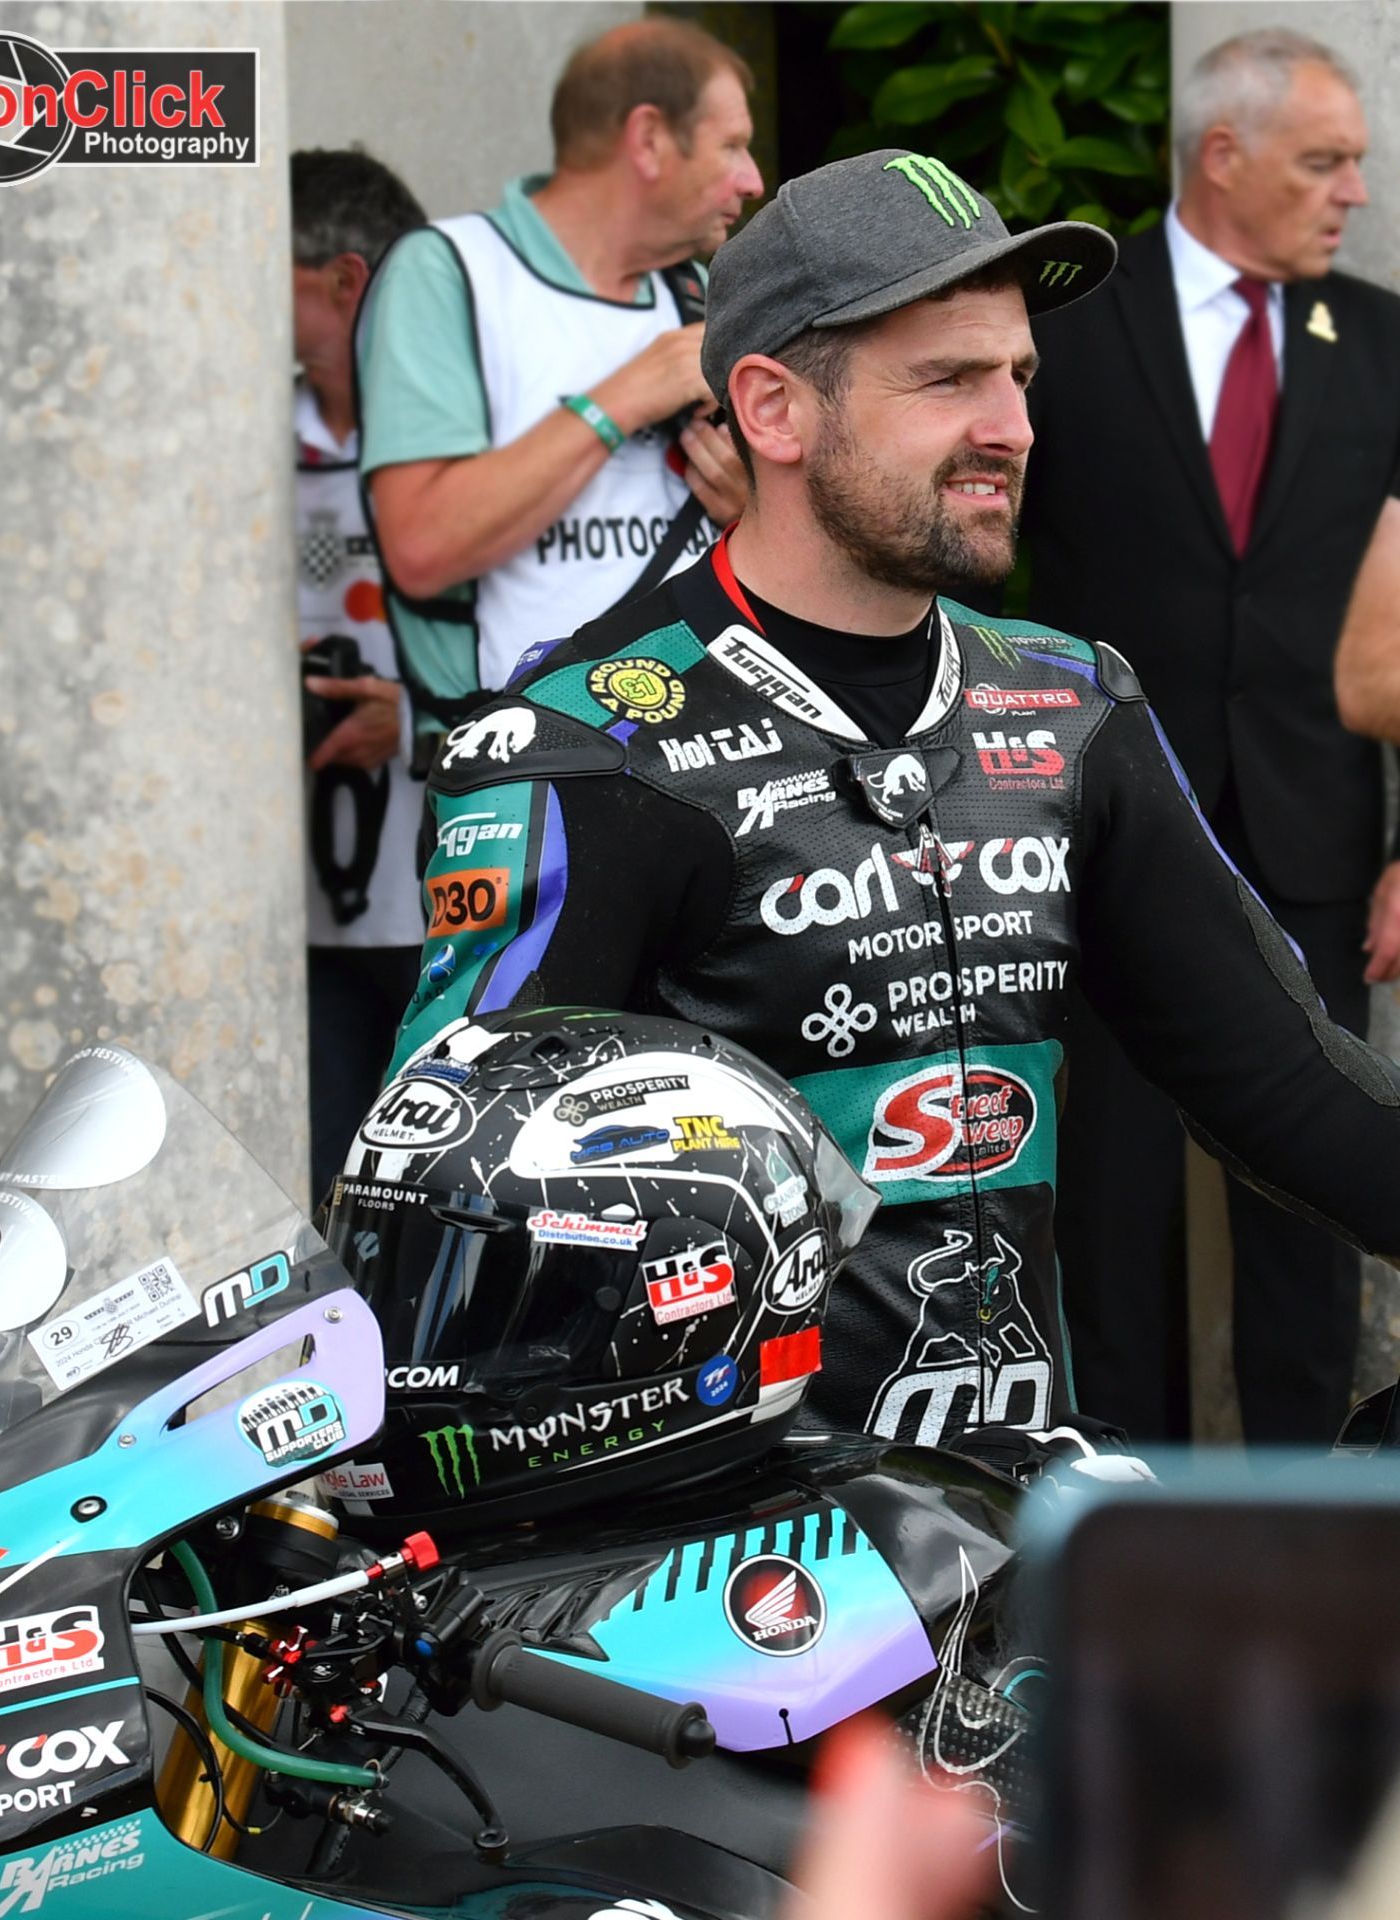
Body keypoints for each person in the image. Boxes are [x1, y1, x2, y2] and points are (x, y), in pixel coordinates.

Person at [382, 147, 1400, 1454]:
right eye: (947, 379)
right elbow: (443, 1203)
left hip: (1019, 1519)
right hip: (719, 1545)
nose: (1011, 426)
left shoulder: (1069, 705)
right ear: (772, 409)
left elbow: (1288, 1089)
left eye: (1018, 376)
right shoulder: (585, 745)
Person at [1017, 30, 1400, 1446]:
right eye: (1325, 161)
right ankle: (1119, 1506)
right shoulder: (1063, 331)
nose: (1353, 191)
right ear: (1221, 157)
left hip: (1313, 830)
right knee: (1107, 1201)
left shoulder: (1383, 344)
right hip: (1096, 834)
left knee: (1316, 1207)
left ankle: (1308, 1514)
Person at [354, 18, 761, 754]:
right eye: (731, 146)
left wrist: (754, 513)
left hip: (709, 752)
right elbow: (421, 549)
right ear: (648, 139)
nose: (752, 179)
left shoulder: (698, 294)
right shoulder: (449, 273)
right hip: (519, 765)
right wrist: (624, 397)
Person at [291, 148, 427, 1206]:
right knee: (318, 1197)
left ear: (343, 282)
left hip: (450, 901)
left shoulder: (467, 435)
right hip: (300, 913)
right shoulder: (235, 434)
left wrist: (415, 722)